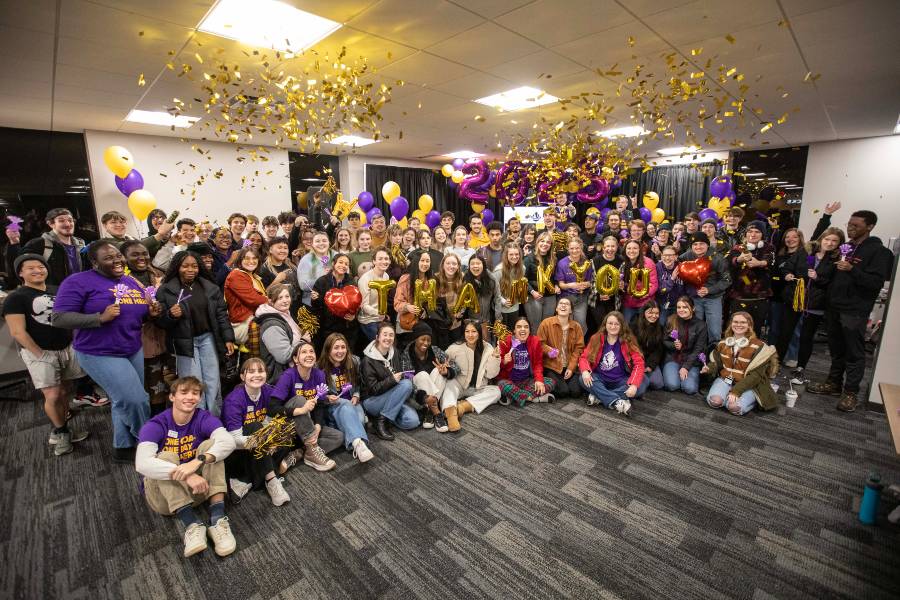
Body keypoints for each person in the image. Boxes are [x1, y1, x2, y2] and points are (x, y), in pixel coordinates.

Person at [53, 241, 161, 462]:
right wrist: (98, 318)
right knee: (136, 400)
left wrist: (151, 312)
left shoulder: (130, 281)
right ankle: (148, 443)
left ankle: (123, 447)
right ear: (94, 262)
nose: (117, 260)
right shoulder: (78, 282)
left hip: (131, 348)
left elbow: (139, 314)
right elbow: (59, 318)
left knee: (121, 399)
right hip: (99, 352)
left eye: (118, 256)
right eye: (109, 258)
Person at [135, 376, 237, 558]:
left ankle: (218, 520)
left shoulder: (203, 417)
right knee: (165, 457)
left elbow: (227, 441)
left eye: (195, 393)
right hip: (165, 501)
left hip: (199, 491)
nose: (190, 397)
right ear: (172, 397)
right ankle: (192, 525)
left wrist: (198, 461)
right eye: (184, 392)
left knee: (211, 448)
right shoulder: (156, 424)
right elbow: (142, 463)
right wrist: (187, 475)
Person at [807, 210, 894, 412]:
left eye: (856, 225)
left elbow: (875, 282)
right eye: (849, 224)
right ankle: (833, 383)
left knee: (854, 352)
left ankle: (851, 392)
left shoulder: (878, 252)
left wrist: (852, 269)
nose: (850, 228)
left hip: (854, 310)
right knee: (836, 349)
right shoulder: (846, 248)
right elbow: (828, 276)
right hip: (834, 307)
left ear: (870, 226)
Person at [3, 254, 88, 456]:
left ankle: (63, 426)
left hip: (66, 347)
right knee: (53, 394)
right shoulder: (16, 297)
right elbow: (17, 332)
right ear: (20, 273)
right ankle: (60, 432)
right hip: (40, 352)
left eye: (40, 266)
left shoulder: (57, 290)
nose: (37, 270)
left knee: (65, 391)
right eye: (30, 268)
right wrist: (40, 355)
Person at [156, 251, 235, 415]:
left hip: (208, 338)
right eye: (185, 266)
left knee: (213, 381)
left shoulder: (210, 287)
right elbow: (160, 322)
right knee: (193, 383)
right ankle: (196, 419)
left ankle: (214, 418)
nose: (190, 269)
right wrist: (170, 315)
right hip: (185, 342)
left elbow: (221, 314)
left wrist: (228, 337)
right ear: (177, 267)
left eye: (194, 266)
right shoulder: (166, 290)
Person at [220, 359, 291, 506]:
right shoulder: (234, 400)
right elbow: (234, 440)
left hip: (258, 449)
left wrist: (271, 438)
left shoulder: (268, 391)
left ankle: (246, 480)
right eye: (251, 372)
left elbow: (278, 418)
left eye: (261, 371)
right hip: (236, 451)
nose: (257, 375)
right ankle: (271, 480)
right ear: (242, 376)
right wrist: (264, 440)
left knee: (287, 431)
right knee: (254, 426)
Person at [268, 342, 343, 472]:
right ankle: (312, 447)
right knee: (300, 400)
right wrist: (300, 410)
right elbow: (272, 409)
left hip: (308, 425)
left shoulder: (319, 374)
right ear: (295, 359)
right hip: (289, 425)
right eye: (304, 352)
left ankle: (301, 453)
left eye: (311, 351)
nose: (309, 355)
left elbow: (319, 404)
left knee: (338, 437)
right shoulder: (288, 376)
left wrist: (318, 425)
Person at [121, 240, 170, 414]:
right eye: (135, 255)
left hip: (160, 335)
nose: (141, 258)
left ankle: (159, 418)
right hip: (137, 338)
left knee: (158, 382)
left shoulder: (157, 274)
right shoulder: (120, 281)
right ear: (124, 258)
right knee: (140, 384)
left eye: (144, 254)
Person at [791, 227, 843, 384]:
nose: (830, 243)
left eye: (834, 241)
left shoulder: (837, 260)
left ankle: (800, 368)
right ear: (821, 239)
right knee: (788, 332)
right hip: (797, 300)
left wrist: (818, 277)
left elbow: (835, 283)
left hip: (816, 304)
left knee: (806, 337)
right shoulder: (808, 252)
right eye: (827, 239)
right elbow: (793, 266)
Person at [702, 312, 779, 415]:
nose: (738, 325)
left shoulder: (759, 347)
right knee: (715, 402)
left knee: (733, 407)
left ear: (749, 325)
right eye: (735, 322)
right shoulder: (724, 343)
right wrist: (709, 368)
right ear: (731, 324)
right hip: (726, 380)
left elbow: (755, 376)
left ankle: (750, 401)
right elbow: (717, 363)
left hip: (750, 384)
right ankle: (728, 398)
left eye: (743, 322)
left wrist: (736, 391)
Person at [317, 333, 373, 463]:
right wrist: (326, 398)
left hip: (352, 402)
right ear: (328, 349)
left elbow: (358, 382)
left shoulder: (354, 361)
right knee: (354, 418)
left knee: (359, 420)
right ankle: (359, 445)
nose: (340, 351)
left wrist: (356, 394)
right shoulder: (318, 368)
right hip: (332, 405)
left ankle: (342, 431)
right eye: (336, 348)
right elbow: (316, 394)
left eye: (343, 347)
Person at [360, 323, 421, 438]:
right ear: (377, 337)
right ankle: (381, 422)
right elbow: (373, 390)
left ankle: (385, 417)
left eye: (391, 335)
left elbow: (399, 379)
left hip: (393, 397)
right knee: (406, 385)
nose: (388, 338)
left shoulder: (395, 352)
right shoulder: (367, 360)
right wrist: (392, 380)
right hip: (372, 401)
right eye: (385, 335)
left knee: (412, 421)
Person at [579, 311, 645, 416]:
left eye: (616, 324)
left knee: (641, 385)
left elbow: (639, 364)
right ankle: (617, 401)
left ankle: (598, 397)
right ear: (605, 324)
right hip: (600, 378)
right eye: (610, 323)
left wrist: (633, 385)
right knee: (582, 378)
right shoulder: (596, 338)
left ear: (621, 326)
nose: (613, 326)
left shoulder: (628, 341)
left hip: (621, 380)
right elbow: (584, 358)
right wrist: (585, 371)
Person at [442, 320, 501, 432]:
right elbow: (443, 358)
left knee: (496, 391)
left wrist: (495, 357)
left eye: (473, 331)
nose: (470, 335)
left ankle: (463, 407)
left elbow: (491, 374)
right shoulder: (456, 347)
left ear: (479, 333)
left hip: (478, 387)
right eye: (467, 331)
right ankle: (451, 415)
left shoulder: (488, 348)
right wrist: (445, 365)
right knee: (449, 385)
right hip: (459, 385)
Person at [400, 322, 458, 432]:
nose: (426, 343)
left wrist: (446, 371)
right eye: (423, 339)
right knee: (422, 375)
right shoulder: (406, 356)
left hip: (434, 395)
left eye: (428, 340)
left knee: (438, 371)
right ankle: (436, 412)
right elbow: (408, 382)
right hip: (418, 398)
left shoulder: (435, 350)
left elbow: (455, 366)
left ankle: (429, 413)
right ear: (415, 338)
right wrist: (425, 397)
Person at [677, 232, 731, 343]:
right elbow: (677, 266)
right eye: (695, 244)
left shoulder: (717, 258)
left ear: (707, 245)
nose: (698, 247)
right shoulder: (686, 256)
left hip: (713, 298)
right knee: (694, 331)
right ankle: (696, 355)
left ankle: (713, 355)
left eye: (701, 244)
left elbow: (727, 280)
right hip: (694, 298)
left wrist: (709, 290)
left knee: (715, 331)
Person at [727, 221, 775, 335]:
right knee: (737, 330)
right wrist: (739, 259)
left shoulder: (769, 247)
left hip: (760, 297)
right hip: (740, 297)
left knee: (756, 330)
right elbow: (730, 261)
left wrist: (760, 263)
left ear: (762, 234)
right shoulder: (738, 248)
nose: (753, 234)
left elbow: (771, 262)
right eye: (750, 231)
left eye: (757, 232)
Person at [497, 316, 555, 406]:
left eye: (526, 327)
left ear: (529, 330)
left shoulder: (535, 341)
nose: (523, 329)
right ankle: (533, 398)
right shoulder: (505, 341)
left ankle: (516, 396)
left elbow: (537, 364)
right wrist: (504, 361)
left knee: (551, 382)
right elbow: (497, 366)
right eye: (519, 327)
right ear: (514, 330)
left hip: (527, 381)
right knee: (501, 384)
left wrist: (539, 380)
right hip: (510, 380)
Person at [19, 208, 85, 285]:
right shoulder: (38, 244)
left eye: (70, 220)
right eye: (61, 221)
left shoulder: (80, 245)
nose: (67, 224)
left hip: (78, 292)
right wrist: (14, 244)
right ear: (51, 224)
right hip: (52, 294)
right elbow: (21, 268)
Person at [537, 297, 584, 399]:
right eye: (561, 303)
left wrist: (571, 368)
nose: (563, 305)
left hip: (569, 366)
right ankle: (551, 382)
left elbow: (578, 349)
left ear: (571, 310)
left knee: (576, 392)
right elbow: (539, 344)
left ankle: (562, 383)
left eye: (567, 304)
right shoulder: (546, 323)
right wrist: (549, 350)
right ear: (556, 308)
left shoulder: (576, 326)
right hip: (552, 366)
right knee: (563, 392)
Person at [255, 283, 302, 384]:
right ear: (271, 301)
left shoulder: (285, 315)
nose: (285, 300)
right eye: (280, 298)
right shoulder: (272, 325)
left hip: (290, 373)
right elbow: (284, 357)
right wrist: (303, 341)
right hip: (279, 378)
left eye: (287, 296)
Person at [312, 253, 360, 350]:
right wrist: (315, 299)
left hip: (346, 327)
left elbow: (357, 304)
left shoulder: (351, 282)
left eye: (346, 264)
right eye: (340, 262)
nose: (343, 265)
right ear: (333, 263)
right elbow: (316, 307)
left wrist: (353, 317)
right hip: (326, 327)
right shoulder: (322, 281)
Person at [774, 228, 808, 361]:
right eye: (787, 237)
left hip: (794, 298)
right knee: (777, 329)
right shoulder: (780, 255)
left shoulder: (805, 254)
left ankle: (791, 357)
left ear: (800, 239)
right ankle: (774, 357)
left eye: (795, 237)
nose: (790, 239)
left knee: (794, 331)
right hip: (777, 297)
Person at [661, 296, 707, 395]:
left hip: (691, 361)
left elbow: (698, 349)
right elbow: (664, 340)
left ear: (693, 308)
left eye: (685, 307)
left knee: (689, 388)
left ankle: (687, 377)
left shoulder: (701, 325)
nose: (681, 310)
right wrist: (673, 345)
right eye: (679, 307)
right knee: (672, 385)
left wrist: (686, 367)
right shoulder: (671, 320)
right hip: (673, 358)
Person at [223, 247, 268, 345]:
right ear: (240, 260)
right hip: (241, 323)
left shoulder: (254, 277)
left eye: (254, 258)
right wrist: (272, 301)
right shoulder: (236, 275)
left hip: (255, 317)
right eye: (246, 258)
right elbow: (254, 300)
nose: (251, 261)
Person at [524, 231, 559, 331]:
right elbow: (522, 279)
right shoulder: (528, 259)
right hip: (534, 297)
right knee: (535, 327)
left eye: (548, 242)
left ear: (551, 245)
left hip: (550, 298)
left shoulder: (553, 259)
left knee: (547, 326)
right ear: (537, 242)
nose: (545, 244)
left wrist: (556, 285)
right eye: (542, 241)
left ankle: (544, 347)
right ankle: (534, 346)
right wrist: (532, 292)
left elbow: (555, 276)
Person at [395, 251, 433, 339]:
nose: (425, 263)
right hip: (406, 323)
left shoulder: (430, 280)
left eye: (428, 261)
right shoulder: (406, 278)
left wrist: (425, 311)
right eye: (422, 260)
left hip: (422, 323)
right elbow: (397, 303)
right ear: (416, 261)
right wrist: (408, 307)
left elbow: (429, 302)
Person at [99, 210, 172, 257]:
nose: (118, 225)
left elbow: (149, 251)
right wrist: (160, 234)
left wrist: (170, 241)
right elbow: (132, 248)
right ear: (105, 225)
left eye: (122, 222)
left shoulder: (131, 238)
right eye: (113, 222)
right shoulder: (106, 243)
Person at [429, 253, 465, 348]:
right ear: (443, 265)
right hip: (441, 324)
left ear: (458, 266)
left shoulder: (462, 277)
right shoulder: (435, 279)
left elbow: (466, 299)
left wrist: (461, 311)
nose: (451, 266)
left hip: (457, 322)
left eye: (454, 263)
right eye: (448, 263)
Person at [555, 238, 593, 326]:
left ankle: (580, 339)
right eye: (572, 248)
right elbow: (561, 284)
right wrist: (571, 285)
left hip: (581, 298)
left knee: (581, 323)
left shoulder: (586, 262)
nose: (574, 251)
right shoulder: (562, 263)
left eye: (577, 248)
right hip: (566, 297)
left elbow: (591, 281)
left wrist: (586, 284)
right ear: (568, 249)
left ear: (581, 248)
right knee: (565, 323)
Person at [630, 300, 666, 394]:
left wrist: (650, 365)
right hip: (635, 360)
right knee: (642, 383)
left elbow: (659, 350)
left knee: (658, 384)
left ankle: (642, 378)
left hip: (649, 361)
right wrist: (639, 364)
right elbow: (630, 347)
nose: (654, 316)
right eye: (650, 312)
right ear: (644, 312)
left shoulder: (660, 328)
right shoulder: (634, 325)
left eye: (657, 313)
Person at [620, 239, 659, 323]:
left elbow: (654, 284)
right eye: (629, 248)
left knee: (645, 327)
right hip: (628, 302)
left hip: (645, 302)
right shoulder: (623, 263)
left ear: (639, 250)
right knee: (626, 326)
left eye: (635, 248)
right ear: (625, 250)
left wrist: (645, 294)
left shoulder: (648, 262)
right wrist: (622, 286)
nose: (631, 251)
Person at [357, 248, 392, 343]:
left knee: (391, 340)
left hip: (381, 317)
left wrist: (383, 314)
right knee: (382, 343)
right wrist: (378, 313)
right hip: (368, 320)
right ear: (374, 261)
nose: (384, 261)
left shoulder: (386, 276)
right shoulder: (366, 279)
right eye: (380, 259)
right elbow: (364, 306)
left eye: (386, 259)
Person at [590, 235, 622, 329]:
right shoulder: (595, 261)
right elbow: (591, 281)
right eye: (607, 246)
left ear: (617, 247)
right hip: (597, 300)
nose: (610, 249)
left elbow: (621, 280)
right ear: (603, 247)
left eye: (613, 246)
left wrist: (620, 286)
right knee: (601, 326)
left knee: (612, 327)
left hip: (614, 301)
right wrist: (599, 293)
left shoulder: (621, 261)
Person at [494, 243, 528, 330]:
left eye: (517, 254)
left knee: (512, 333)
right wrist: (503, 301)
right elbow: (493, 291)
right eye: (511, 254)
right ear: (506, 255)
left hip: (515, 308)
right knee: (503, 335)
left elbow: (519, 286)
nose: (514, 257)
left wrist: (523, 296)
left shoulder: (523, 268)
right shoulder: (499, 270)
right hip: (501, 310)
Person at [296, 231, 334, 307]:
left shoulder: (336, 255)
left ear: (329, 242)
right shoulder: (306, 260)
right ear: (312, 244)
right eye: (317, 241)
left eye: (324, 240)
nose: (321, 243)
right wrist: (323, 277)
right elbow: (303, 285)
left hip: (335, 302)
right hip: (312, 303)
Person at [463, 255, 496, 341]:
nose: (475, 266)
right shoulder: (465, 281)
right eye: (472, 264)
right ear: (469, 266)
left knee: (486, 347)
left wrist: (498, 318)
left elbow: (497, 299)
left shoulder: (490, 280)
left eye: (478, 263)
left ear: (483, 265)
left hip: (486, 321)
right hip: (471, 322)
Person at [655, 245, 684, 325]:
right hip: (663, 304)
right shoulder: (657, 267)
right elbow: (661, 290)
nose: (667, 258)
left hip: (679, 305)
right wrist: (672, 279)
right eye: (665, 255)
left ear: (676, 257)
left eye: (670, 255)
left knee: (678, 326)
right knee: (662, 324)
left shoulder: (682, 267)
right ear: (661, 256)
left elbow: (688, 288)